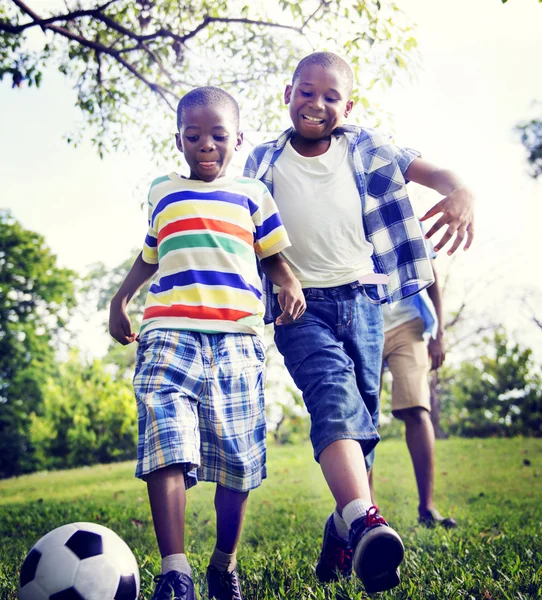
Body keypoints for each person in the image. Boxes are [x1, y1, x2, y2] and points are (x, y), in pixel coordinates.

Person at [244, 52, 474, 594]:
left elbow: (431, 170)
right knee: (332, 402)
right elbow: (240, 225)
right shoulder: (261, 162)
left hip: (365, 303)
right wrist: (274, 276)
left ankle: (341, 532)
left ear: (349, 107)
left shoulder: (367, 147)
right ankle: (368, 521)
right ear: (287, 93)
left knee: (362, 430)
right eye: (306, 91)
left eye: (330, 97)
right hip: (299, 308)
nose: (316, 104)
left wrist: (461, 190)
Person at [109, 86, 305, 600]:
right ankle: (175, 572)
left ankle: (224, 564)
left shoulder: (252, 195)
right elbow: (151, 254)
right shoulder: (162, 192)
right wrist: (120, 299)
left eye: (218, 136)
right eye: (194, 136)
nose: (207, 146)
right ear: (179, 139)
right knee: (164, 442)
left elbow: (273, 257)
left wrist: (289, 282)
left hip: (237, 340)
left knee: (237, 461)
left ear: (237, 138)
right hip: (167, 335)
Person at [374, 259, 458, 529]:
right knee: (361, 419)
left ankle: (427, 508)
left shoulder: (408, 218)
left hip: (408, 322)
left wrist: (439, 335)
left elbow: (429, 273)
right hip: (361, 323)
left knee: (417, 408)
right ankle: (367, 515)